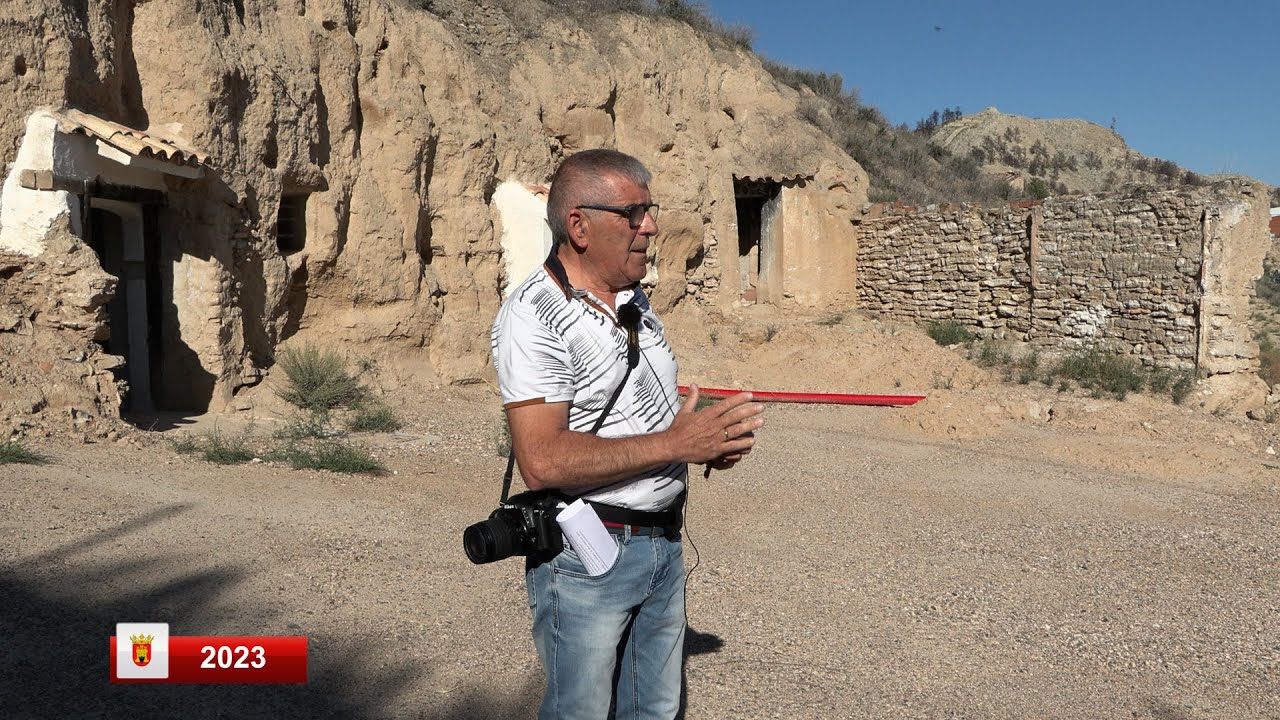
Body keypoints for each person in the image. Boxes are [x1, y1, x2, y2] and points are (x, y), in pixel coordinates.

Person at [490, 148, 765, 719]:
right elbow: (541, 460)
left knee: (653, 711)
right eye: (633, 213)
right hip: (586, 556)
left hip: (662, 544)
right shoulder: (534, 315)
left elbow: (640, 422)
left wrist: (706, 443)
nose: (651, 226)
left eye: (649, 209)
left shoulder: (634, 301)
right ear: (579, 226)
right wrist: (676, 445)